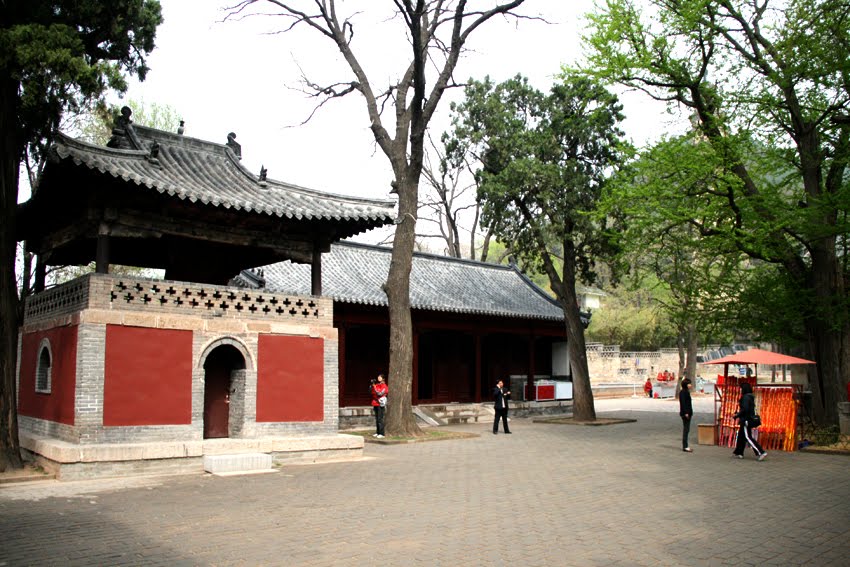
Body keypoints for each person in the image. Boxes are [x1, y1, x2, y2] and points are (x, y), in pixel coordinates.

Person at [733, 381, 767, 460]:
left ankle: (760, 452)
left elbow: (745, 409)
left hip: (746, 420)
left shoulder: (745, 398)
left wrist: (737, 415)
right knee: (741, 435)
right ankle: (739, 452)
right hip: (747, 419)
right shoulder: (750, 397)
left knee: (748, 437)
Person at [369, 373, 388, 438]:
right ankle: (377, 432)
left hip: (380, 403)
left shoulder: (384, 386)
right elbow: (371, 392)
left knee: (380, 418)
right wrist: (372, 385)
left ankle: (382, 434)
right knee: (377, 419)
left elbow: (380, 393)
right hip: (375, 403)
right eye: (378, 377)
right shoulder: (377, 385)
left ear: (383, 378)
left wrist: (375, 387)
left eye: (380, 377)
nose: (378, 378)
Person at [679, 378, 694, 452]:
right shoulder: (683, 392)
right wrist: (686, 413)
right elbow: (683, 403)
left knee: (687, 429)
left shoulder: (686, 392)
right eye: (689, 384)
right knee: (686, 429)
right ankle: (685, 446)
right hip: (685, 414)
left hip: (688, 412)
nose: (690, 385)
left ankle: (686, 445)